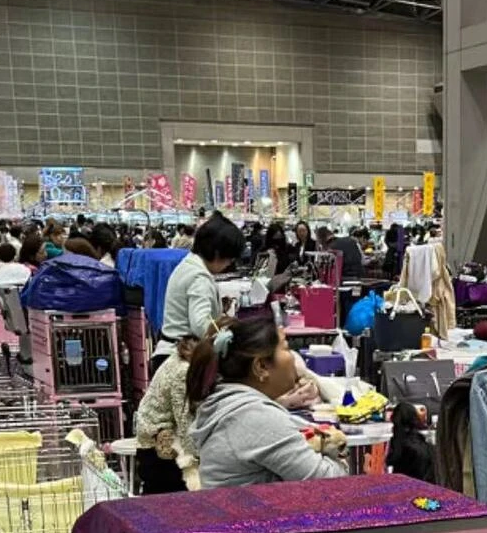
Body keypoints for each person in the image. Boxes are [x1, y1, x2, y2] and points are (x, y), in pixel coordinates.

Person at [187, 312, 348, 487]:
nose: (293, 356)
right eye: (286, 348)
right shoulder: (255, 417)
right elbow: (332, 483)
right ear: (261, 367)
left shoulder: (232, 406)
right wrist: (337, 455)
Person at [158, 211, 246, 362]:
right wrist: (226, 324)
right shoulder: (199, 277)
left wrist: (217, 308)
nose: (229, 264)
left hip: (170, 350)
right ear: (218, 253)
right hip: (180, 357)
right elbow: (200, 327)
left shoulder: (189, 265)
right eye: (230, 258)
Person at [134, 337, 199, 493]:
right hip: (159, 442)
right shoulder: (183, 371)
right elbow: (184, 422)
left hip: (149, 437)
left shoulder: (175, 358)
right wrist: (196, 458)